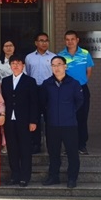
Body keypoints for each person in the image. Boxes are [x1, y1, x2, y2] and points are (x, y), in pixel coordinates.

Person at [40, 56, 84, 188]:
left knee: (72, 153)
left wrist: (70, 111)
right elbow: (43, 102)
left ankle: (72, 178)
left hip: (69, 124)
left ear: (65, 66)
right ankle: (54, 176)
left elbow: (79, 101)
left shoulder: (74, 83)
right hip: (52, 124)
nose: (56, 68)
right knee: (53, 153)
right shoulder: (46, 84)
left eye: (59, 64)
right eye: (53, 65)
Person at [0, 55, 38, 187]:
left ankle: (25, 177)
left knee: (25, 149)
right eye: (13, 63)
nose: (15, 65)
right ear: (10, 66)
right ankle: (14, 175)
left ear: (23, 66)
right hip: (9, 121)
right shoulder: (5, 81)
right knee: (12, 149)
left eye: (18, 63)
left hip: (25, 120)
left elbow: (34, 102)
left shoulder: (30, 81)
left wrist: (33, 121)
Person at [57, 30, 94, 155]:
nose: (70, 42)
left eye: (72, 39)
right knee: (67, 119)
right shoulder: (61, 55)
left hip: (82, 89)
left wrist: (82, 82)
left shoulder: (85, 53)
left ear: (77, 40)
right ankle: (68, 146)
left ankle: (81, 145)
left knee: (82, 118)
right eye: (67, 39)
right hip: (65, 90)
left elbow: (89, 70)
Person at [24, 32, 54, 154]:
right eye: (41, 40)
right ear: (36, 43)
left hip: (48, 89)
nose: (44, 43)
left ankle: (51, 144)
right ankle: (35, 144)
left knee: (49, 117)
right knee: (34, 117)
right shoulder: (29, 57)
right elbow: (27, 74)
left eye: (46, 41)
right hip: (34, 89)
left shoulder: (53, 57)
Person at [0, 39, 16, 154]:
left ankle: (15, 142)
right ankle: (5, 144)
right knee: (4, 119)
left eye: (10, 45)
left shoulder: (19, 61)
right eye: (6, 46)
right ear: (2, 48)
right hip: (3, 94)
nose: (8, 48)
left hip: (17, 94)